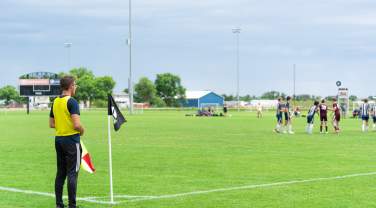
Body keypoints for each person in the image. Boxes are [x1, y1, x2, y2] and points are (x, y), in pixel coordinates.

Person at [49, 76, 85, 208]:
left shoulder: (55, 102)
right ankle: (72, 205)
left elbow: (51, 124)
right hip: (71, 141)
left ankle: (59, 204)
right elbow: (77, 125)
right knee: (72, 173)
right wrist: (82, 130)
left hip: (59, 140)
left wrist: (63, 125)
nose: (75, 87)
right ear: (70, 86)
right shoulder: (72, 102)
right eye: (75, 85)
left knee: (61, 173)